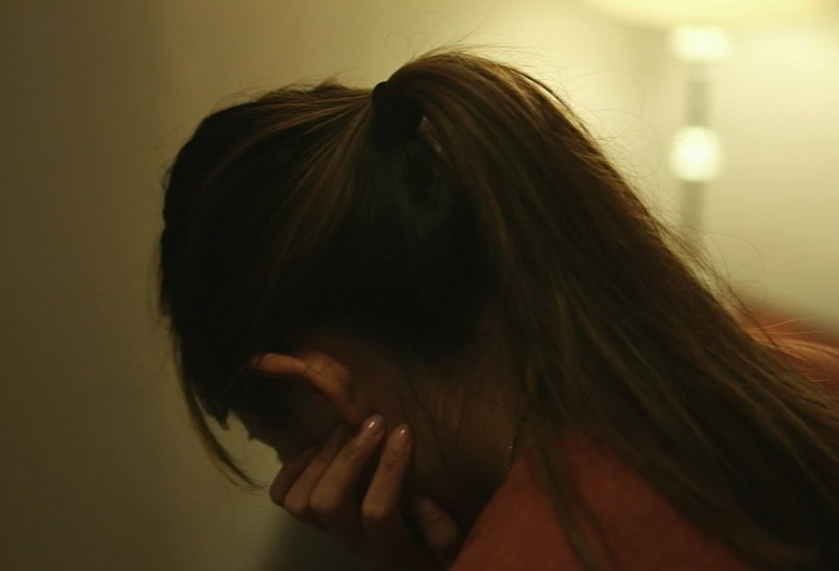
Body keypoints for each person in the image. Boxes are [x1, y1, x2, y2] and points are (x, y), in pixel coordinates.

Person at [158, 50, 839, 570]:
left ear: (316, 382)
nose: (302, 486)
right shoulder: (801, 383)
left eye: (293, 450)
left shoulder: (549, 544)